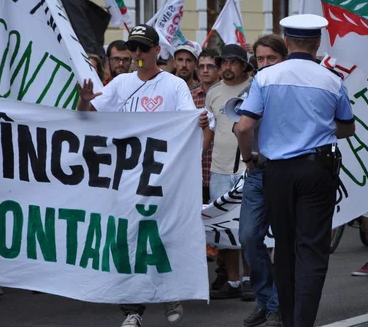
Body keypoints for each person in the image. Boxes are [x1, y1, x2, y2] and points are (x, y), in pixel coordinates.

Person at [76, 24, 209, 327]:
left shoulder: (173, 86)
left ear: (155, 51)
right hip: (124, 174)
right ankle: (132, 311)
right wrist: (84, 99)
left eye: (142, 48)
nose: (137, 54)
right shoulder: (121, 83)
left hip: (161, 175)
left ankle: (169, 291)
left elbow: (189, 121)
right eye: (133, 48)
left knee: (160, 235)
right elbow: (88, 116)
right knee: (127, 236)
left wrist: (200, 121)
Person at [235, 14, 355, 327]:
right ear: (317, 44)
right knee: (313, 250)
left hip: (277, 172)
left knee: (285, 249)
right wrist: (319, 129)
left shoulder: (266, 78)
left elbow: (244, 127)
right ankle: (304, 321)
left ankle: (287, 319)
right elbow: (347, 128)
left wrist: (249, 159)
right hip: (318, 169)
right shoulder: (331, 79)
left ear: (287, 43)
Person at [233, 34, 287, 327]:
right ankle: (265, 300)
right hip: (257, 171)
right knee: (249, 237)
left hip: (285, 171)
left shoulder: (289, 86)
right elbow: (242, 127)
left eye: (271, 58)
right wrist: (248, 156)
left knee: (285, 242)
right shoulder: (254, 85)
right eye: (260, 59)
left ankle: (277, 304)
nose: (264, 64)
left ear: (283, 58)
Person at [205, 44, 254, 301]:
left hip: (248, 167)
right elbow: (210, 129)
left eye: (234, 62)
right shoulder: (213, 92)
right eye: (224, 62)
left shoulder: (255, 87)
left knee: (248, 228)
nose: (227, 67)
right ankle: (233, 281)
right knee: (224, 229)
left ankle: (249, 279)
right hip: (220, 168)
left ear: (244, 65)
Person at [191, 48, 221, 204]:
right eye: (201, 66)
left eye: (210, 66)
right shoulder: (189, 97)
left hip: (222, 170)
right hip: (195, 172)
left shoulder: (228, 96)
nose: (205, 70)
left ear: (219, 68)